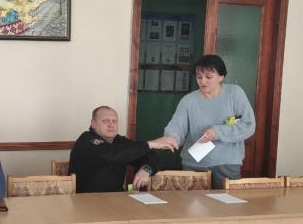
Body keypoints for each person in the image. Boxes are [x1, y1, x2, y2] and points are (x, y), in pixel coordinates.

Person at [162, 54, 255, 189]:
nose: (203, 81)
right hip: (193, 165)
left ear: (221, 76)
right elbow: (177, 126)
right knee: (191, 202)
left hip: (227, 164)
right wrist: (172, 137)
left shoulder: (234, 93)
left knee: (226, 202)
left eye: (208, 77)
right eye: (199, 77)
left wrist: (217, 132)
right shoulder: (188, 100)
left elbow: (248, 125)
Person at [69, 105, 174, 193]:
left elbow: (153, 157)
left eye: (114, 121)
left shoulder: (120, 141)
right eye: (105, 121)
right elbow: (111, 154)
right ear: (93, 123)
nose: (111, 124)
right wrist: (150, 144)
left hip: (117, 200)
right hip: (86, 201)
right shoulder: (86, 140)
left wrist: (146, 169)